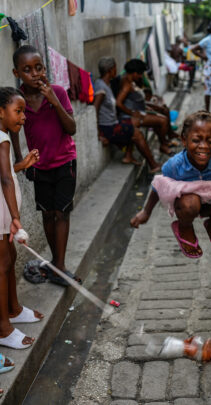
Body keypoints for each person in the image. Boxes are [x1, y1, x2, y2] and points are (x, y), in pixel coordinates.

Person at [130, 111, 211, 259]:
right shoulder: (175, 165)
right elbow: (158, 186)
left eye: (210, 141)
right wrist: (146, 212)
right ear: (184, 140)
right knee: (190, 203)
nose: (204, 146)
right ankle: (184, 228)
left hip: (210, 203)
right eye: (196, 140)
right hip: (188, 204)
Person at [11, 45, 80, 287]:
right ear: (17, 72)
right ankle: (54, 262)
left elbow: (71, 128)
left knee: (61, 213)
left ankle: (59, 266)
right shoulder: (18, 99)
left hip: (64, 163)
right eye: (27, 70)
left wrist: (53, 100)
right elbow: (15, 131)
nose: (34, 73)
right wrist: (21, 160)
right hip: (39, 167)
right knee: (48, 214)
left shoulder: (58, 92)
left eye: (38, 67)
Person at [0, 87, 44, 354]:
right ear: (1, 111)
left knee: (10, 258)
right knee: (2, 263)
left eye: (24, 112)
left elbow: (5, 173)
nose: (23, 117)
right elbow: (4, 180)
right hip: (3, 211)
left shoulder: (3, 136)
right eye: (18, 111)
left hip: (4, 209)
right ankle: (3, 328)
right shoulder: (2, 139)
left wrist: (21, 166)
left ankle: (14, 310)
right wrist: (16, 218)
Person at [93, 56, 161, 172]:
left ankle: (128, 156)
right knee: (137, 134)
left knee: (134, 122)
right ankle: (153, 164)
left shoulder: (106, 84)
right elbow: (95, 109)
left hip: (113, 123)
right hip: (109, 128)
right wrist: (99, 133)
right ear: (110, 70)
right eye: (115, 68)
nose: (116, 71)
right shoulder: (101, 88)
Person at [116, 59, 173, 156]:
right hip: (131, 116)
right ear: (134, 73)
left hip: (140, 111)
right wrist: (131, 113)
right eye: (140, 74)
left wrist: (146, 107)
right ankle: (163, 145)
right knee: (163, 120)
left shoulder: (131, 81)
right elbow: (118, 103)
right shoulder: (127, 85)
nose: (140, 76)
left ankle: (164, 143)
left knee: (160, 115)